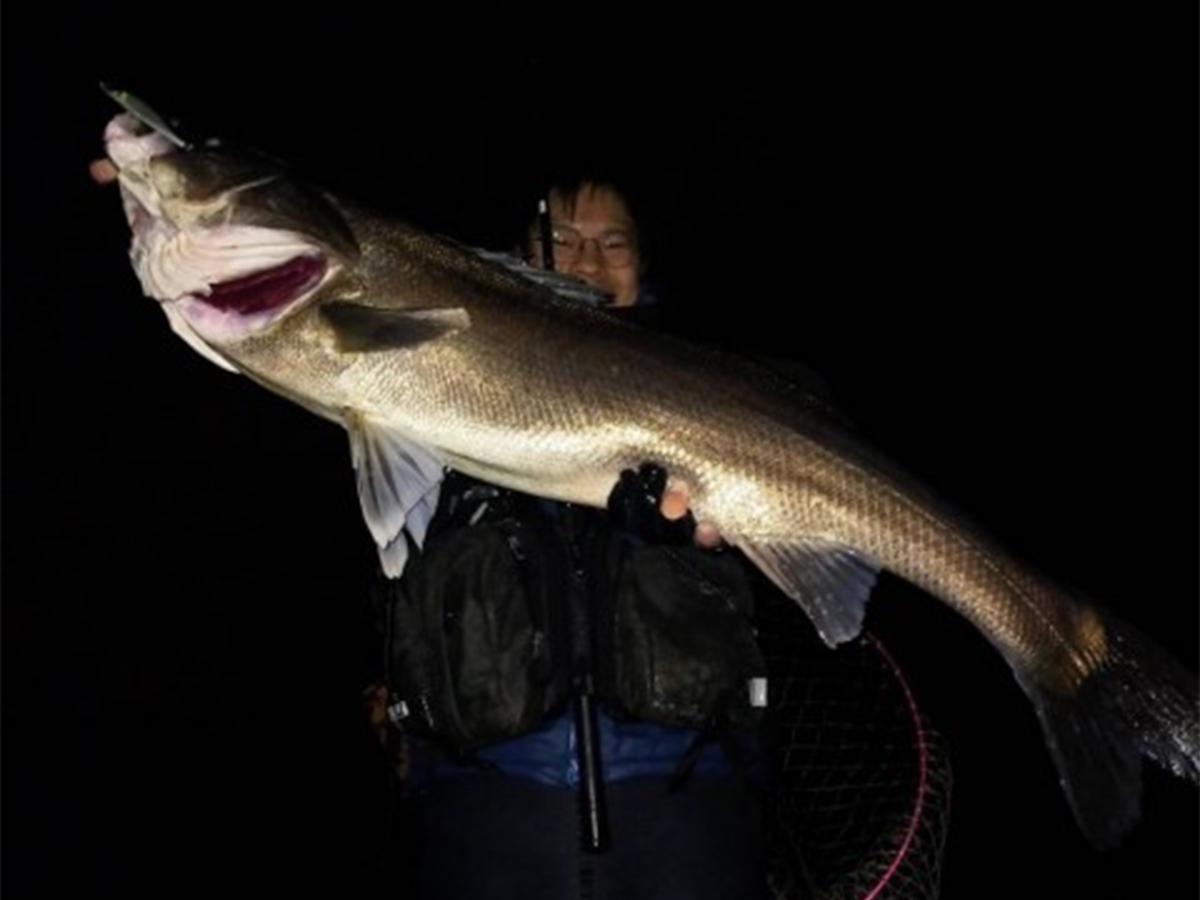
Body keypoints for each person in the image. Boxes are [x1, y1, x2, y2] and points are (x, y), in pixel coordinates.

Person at [365, 172, 771, 900]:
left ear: (643, 265)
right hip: (488, 792)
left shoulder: (716, 387)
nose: (587, 260)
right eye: (562, 240)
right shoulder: (435, 367)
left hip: (686, 790)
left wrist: (702, 535)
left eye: (614, 243)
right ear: (515, 258)